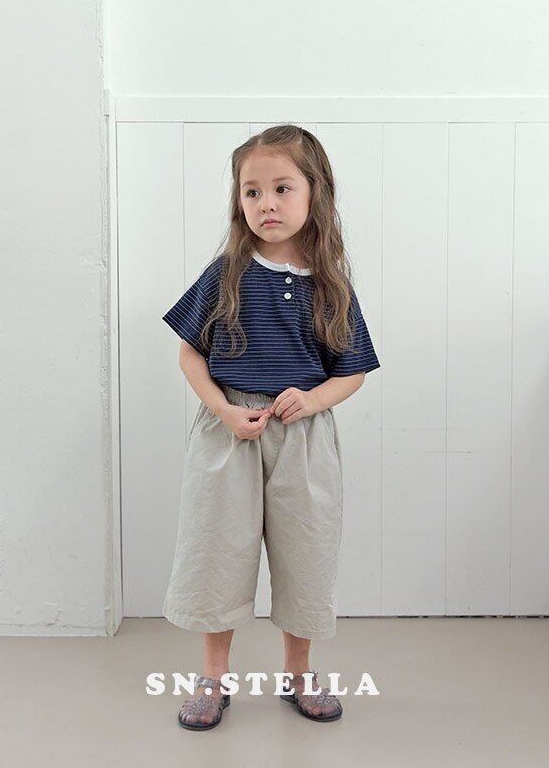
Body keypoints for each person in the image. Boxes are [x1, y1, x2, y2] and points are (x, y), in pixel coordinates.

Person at [161, 124, 380, 730]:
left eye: (282, 188)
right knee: (216, 551)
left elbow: (353, 371)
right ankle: (213, 678)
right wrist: (225, 411)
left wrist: (311, 401)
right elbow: (190, 353)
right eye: (251, 191)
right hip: (229, 433)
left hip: (302, 441)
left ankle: (298, 674)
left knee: (305, 553)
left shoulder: (329, 285)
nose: (266, 204)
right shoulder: (226, 274)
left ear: (315, 193)